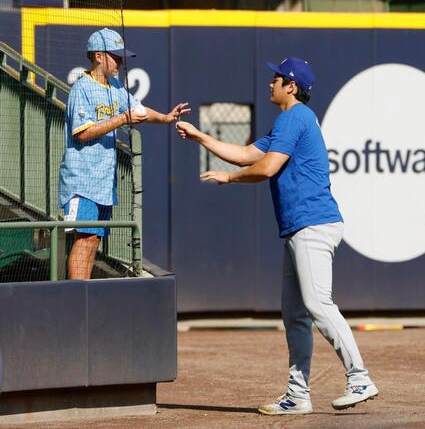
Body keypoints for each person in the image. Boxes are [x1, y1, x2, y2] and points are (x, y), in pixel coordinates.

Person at [176, 57, 378, 415]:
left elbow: (266, 167)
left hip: (313, 223)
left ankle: (359, 377)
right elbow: (244, 154)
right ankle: (298, 396)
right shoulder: (288, 122)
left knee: (317, 305)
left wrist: (228, 178)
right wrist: (201, 136)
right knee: (296, 315)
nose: (270, 83)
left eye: (276, 78)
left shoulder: (294, 117)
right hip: (300, 227)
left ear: (292, 86)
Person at [59, 28, 190, 280]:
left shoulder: (116, 86)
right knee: (84, 239)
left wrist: (165, 117)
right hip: (81, 181)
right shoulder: (82, 89)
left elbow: (138, 110)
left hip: (103, 183)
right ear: (99, 56)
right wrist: (121, 119)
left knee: (94, 240)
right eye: (115, 56)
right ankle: (76, 297)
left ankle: (82, 294)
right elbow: (81, 134)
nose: (120, 61)